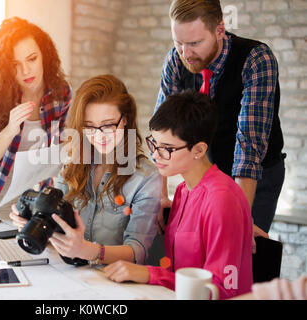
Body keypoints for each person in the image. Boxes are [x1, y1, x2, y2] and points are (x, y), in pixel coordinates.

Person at [155, 0, 285, 246]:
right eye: (178, 42)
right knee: (200, 249)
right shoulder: (176, 60)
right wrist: (160, 195)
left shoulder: (256, 59)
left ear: (220, 30)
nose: (186, 53)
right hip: (206, 173)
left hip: (257, 175)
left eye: (195, 43)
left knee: (237, 248)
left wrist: (240, 219)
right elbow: (163, 132)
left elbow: (249, 147)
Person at [104, 90, 253, 300]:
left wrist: (149, 274)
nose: (155, 155)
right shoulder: (183, 191)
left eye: (167, 148)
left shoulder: (222, 199)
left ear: (199, 150)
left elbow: (222, 287)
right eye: (154, 144)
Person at [10, 74, 161, 265]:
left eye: (108, 125)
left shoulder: (146, 179)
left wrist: (89, 251)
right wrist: (36, 225)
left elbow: (138, 252)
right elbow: (60, 228)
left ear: (126, 119)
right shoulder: (73, 165)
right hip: (74, 275)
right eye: (89, 127)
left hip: (116, 283)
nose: (99, 136)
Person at [0, 17, 72, 218]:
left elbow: (57, 153)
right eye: (15, 64)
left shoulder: (61, 94)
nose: (25, 70)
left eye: (32, 58)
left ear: (44, 55)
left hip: (24, 205)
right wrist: (10, 129)